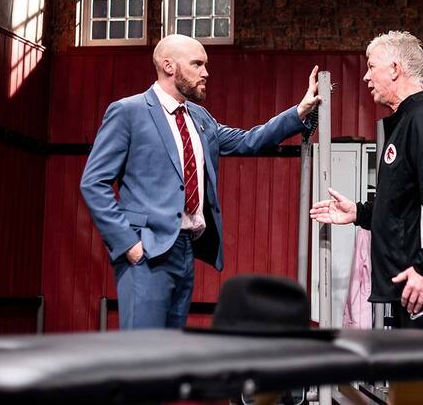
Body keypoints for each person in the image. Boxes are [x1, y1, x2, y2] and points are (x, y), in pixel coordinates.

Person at [80, 34, 320, 329]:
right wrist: (129, 244)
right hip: (147, 252)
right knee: (142, 354)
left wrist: (299, 112)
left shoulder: (199, 117)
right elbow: (94, 183)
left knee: (172, 353)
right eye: (197, 64)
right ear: (169, 66)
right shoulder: (129, 112)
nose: (206, 73)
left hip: (185, 249)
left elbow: (249, 141)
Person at [310, 31, 423, 332]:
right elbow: (406, 208)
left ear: (395, 69)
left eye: (371, 66)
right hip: (414, 289)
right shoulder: (406, 122)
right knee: (413, 380)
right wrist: (359, 213)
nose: (365, 76)